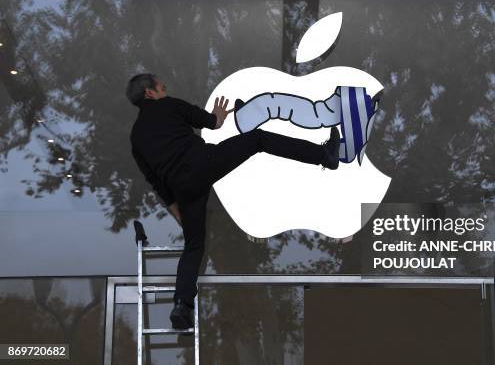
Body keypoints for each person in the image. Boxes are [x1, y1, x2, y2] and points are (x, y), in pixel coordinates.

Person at [126, 73, 340, 330]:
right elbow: (212, 123)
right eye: (161, 85)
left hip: (182, 189)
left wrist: (176, 209)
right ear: (150, 93)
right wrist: (218, 114)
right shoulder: (169, 105)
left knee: (193, 247)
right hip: (204, 163)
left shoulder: (136, 137)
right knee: (258, 140)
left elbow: (155, 181)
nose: (165, 87)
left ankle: (182, 305)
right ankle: (324, 155)